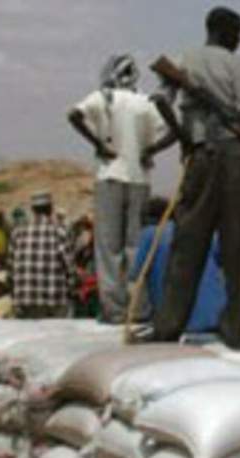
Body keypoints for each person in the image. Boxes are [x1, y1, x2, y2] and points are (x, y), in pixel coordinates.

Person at [142, 7, 240, 349]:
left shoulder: (184, 57)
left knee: (188, 245)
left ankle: (167, 327)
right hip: (236, 159)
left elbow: (159, 100)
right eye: (238, 33)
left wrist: (183, 136)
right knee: (238, 246)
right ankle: (232, 330)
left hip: (201, 155)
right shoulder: (236, 65)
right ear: (225, 32)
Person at [69, 53, 166, 324]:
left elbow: (74, 115)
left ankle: (114, 310)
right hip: (139, 179)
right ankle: (139, 307)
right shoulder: (145, 102)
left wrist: (98, 144)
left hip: (110, 175)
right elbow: (171, 129)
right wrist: (150, 150)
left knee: (109, 247)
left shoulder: (103, 97)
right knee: (136, 246)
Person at [131, 196, 226, 334]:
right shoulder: (202, 230)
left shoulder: (150, 234)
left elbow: (136, 276)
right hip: (220, 319)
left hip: (180, 324)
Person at [10, 192, 74, 319]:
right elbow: (69, 267)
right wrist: (72, 286)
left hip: (25, 299)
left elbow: (10, 267)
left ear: (33, 210)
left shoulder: (17, 232)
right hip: (54, 299)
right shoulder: (60, 232)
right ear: (50, 209)